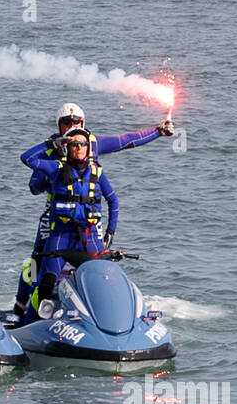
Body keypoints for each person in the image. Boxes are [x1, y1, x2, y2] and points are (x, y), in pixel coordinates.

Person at [10, 102, 173, 315]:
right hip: (56, 213)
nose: (71, 126)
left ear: (83, 123)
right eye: (66, 122)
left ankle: (98, 309)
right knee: (36, 259)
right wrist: (54, 175)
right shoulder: (52, 149)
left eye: (75, 122)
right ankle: (21, 305)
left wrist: (158, 131)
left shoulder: (93, 144)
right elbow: (34, 186)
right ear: (58, 125)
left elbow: (125, 141)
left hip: (88, 214)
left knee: (99, 261)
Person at [19, 128, 118, 322]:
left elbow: (113, 201)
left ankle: (106, 324)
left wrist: (110, 231)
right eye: (74, 144)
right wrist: (50, 144)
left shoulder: (97, 172)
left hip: (88, 237)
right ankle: (28, 325)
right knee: (46, 283)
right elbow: (27, 158)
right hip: (60, 237)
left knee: (104, 278)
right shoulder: (55, 168)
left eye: (82, 144)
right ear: (68, 147)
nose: (79, 147)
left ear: (88, 148)